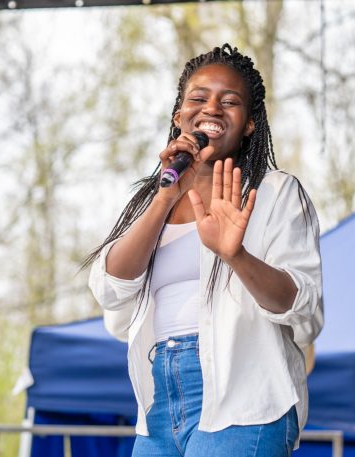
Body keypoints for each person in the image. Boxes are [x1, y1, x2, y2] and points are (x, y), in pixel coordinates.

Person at [85, 44, 323, 456]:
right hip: (160, 397)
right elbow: (110, 290)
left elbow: (304, 309)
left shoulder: (275, 193)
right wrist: (163, 198)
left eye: (229, 102)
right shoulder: (149, 199)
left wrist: (237, 256)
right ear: (179, 117)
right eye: (198, 98)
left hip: (245, 396)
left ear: (249, 124)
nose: (211, 108)